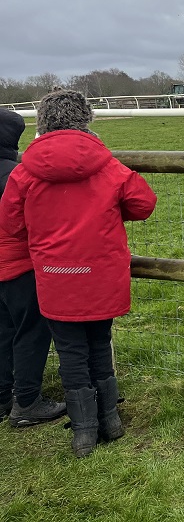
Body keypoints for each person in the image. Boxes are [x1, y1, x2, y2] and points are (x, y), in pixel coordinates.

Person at [0, 89, 157, 457]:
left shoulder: (24, 173)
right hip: (101, 273)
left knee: (70, 350)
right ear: (85, 120)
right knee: (99, 343)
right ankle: (110, 421)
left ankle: (83, 433)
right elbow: (143, 204)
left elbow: (11, 223)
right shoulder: (108, 167)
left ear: (42, 122)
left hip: (55, 274)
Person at [0, 109, 66, 428]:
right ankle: (27, 401)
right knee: (31, 330)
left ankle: (2, 397)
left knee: (2, 331)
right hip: (18, 266)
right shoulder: (17, 175)